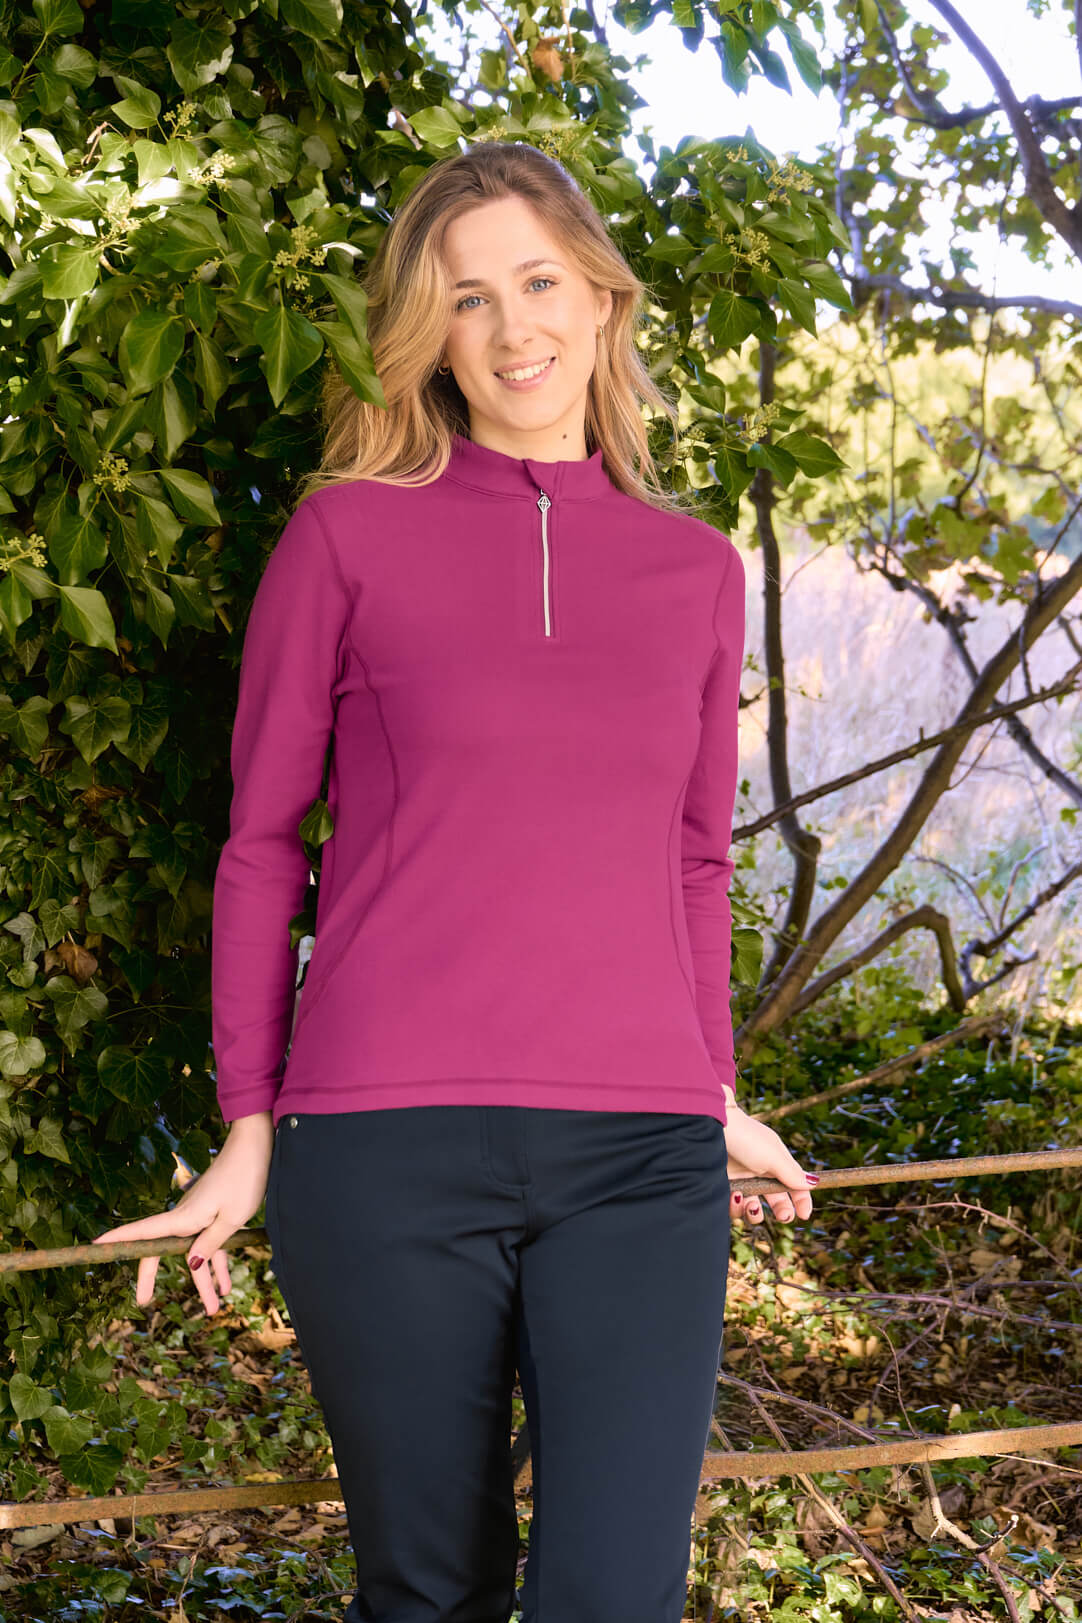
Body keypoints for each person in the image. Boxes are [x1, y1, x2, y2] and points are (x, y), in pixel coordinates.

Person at [93, 139, 817, 1623]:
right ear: (429, 335)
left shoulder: (696, 571)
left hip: (640, 1161)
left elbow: (690, 858)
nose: (511, 329)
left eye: (539, 283)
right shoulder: (344, 536)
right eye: (467, 299)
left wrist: (711, 1091)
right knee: (430, 1595)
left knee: (614, 1598)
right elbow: (262, 843)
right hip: (383, 1151)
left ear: (603, 299)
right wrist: (247, 1125)